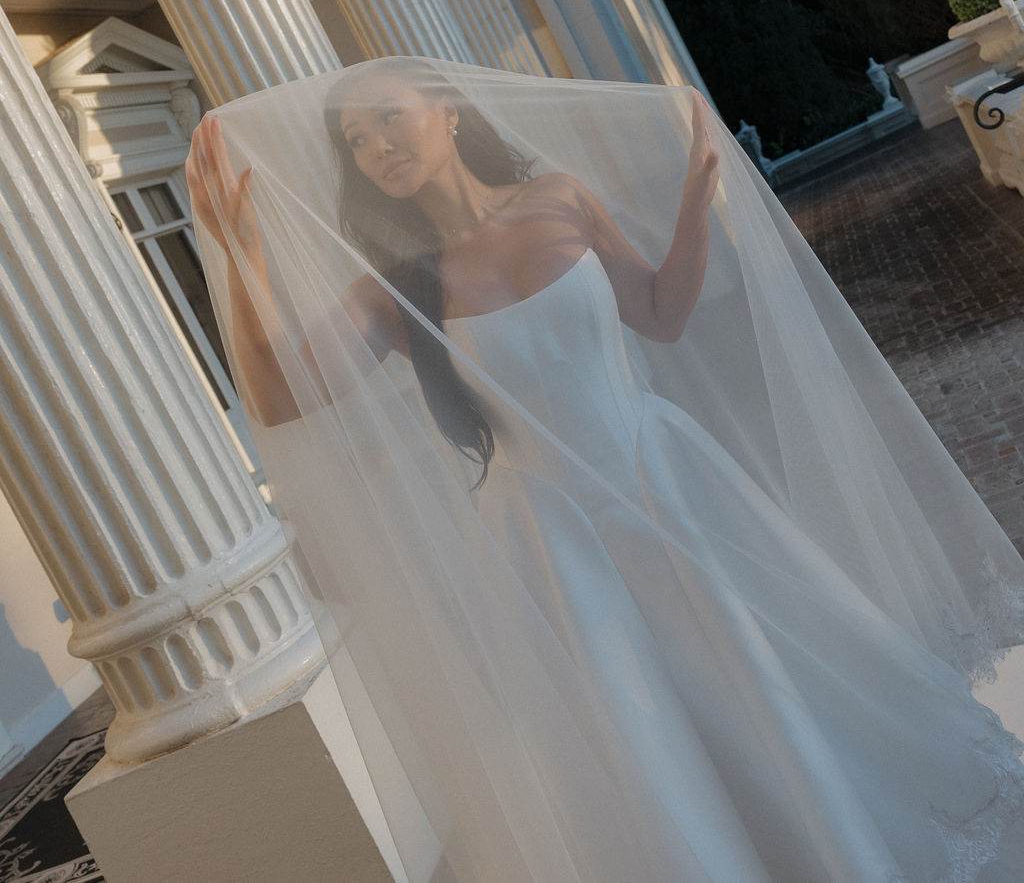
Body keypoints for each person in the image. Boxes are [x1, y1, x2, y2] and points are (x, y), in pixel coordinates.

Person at [187, 57, 1024, 882]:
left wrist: (697, 203)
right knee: (651, 737)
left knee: (762, 678)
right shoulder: (397, 289)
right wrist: (245, 259)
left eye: (387, 119)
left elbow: (660, 313)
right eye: (356, 141)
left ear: (445, 110)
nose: (376, 147)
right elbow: (275, 399)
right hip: (559, 541)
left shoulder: (559, 197)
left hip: (668, 479)